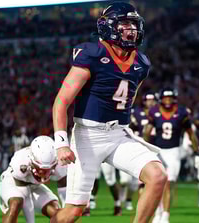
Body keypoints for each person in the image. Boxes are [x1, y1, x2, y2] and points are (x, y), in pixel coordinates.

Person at [50, 3, 167, 223]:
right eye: (124, 24)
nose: (131, 30)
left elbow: (129, 100)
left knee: (158, 176)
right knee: (73, 212)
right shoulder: (92, 53)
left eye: (133, 24)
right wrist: (61, 143)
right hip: (88, 136)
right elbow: (61, 101)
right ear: (108, 26)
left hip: (118, 134)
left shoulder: (141, 62)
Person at [144, 87, 199, 223]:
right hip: (157, 151)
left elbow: (191, 134)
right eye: (165, 98)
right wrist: (145, 148)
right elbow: (147, 132)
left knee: (169, 183)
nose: (168, 101)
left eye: (170, 98)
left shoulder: (181, 112)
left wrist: (197, 152)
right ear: (161, 99)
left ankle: (165, 215)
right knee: (157, 183)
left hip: (174, 151)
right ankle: (158, 213)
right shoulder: (154, 112)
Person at [0, 136, 66, 223]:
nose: (42, 173)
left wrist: (66, 213)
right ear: (31, 159)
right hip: (12, 182)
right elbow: (26, 198)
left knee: (57, 212)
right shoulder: (20, 162)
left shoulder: (60, 162)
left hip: (34, 186)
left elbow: (64, 193)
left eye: (47, 170)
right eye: (39, 168)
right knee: (16, 203)